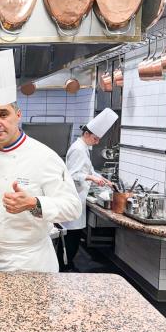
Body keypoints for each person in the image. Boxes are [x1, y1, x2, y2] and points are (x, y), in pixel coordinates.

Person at [0, 49, 82, 274]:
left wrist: (34, 203)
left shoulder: (44, 156)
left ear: (18, 115)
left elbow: (73, 207)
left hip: (32, 261)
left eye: (3, 114)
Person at [59, 108, 119, 270]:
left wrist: (102, 178)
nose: (97, 142)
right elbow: (72, 174)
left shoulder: (83, 148)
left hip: (79, 198)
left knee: (75, 234)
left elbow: (88, 169)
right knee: (72, 235)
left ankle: (66, 264)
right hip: (73, 198)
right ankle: (65, 266)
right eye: (95, 138)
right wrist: (92, 178)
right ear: (86, 134)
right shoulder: (78, 149)